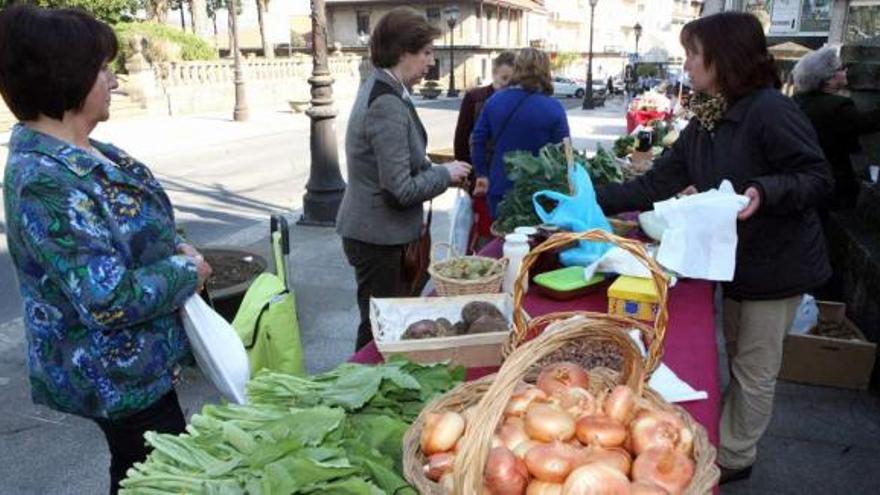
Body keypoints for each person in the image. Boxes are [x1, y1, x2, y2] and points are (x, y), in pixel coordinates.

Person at [595, 12, 832, 484]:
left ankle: (735, 459)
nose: (686, 65)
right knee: (738, 354)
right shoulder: (709, 114)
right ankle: (729, 438)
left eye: (692, 54)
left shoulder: (770, 110)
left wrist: (764, 191)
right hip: (735, 262)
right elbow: (661, 180)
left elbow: (818, 179)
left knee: (754, 368)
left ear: (722, 59)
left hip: (777, 263)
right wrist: (591, 196)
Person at [0, 6, 212, 494]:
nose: (113, 81)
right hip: (115, 376)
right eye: (101, 69)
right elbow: (107, 298)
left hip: (141, 364)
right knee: (159, 477)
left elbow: (133, 228)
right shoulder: (44, 180)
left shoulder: (90, 151)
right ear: (68, 78)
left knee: (144, 471)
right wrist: (187, 270)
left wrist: (173, 245)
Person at [336, 7, 471, 351]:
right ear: (402, 52)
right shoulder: (387, 102)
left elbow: (405, 165)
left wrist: (451, 176)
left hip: (379, 234)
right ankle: (362, 391)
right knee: (379, 328)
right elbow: (400, 189)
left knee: (383, 321)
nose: (430, 62)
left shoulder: (385, 88)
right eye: (425, 52)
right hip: (378, 239)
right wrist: (444, 173)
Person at [471, 48, 570, 219]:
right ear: (545, 72)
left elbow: (477, 140)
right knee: (535, 244)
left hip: (499, 188)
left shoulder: (495, 100)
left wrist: (482, 174)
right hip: (540, 193)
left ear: (517, 69)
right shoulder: (554, 107)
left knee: (504, 240)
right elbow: (565, 153)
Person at [792, 46, 880, 210]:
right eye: (840, 68)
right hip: (835, 183)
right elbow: (868, 123)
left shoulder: (796, 102)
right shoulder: (838, 107)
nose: (845, 70)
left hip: (803, 178)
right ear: (828, 79)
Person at [453, 51, 515, 250]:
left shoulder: (517, 100)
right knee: (483, 234)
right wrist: (470, 176)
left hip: (507, 179)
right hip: (482, 178)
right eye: (504, 78)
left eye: (512, 80)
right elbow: (462, 139)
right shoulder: (475, 97)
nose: (507, 84)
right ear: (494, 73)